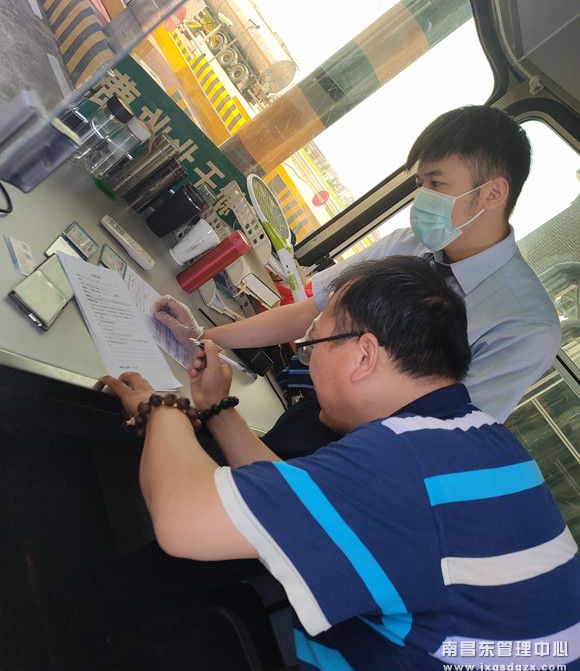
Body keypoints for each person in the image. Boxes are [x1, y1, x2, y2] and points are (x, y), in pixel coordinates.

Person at [103, 257, 580, 671]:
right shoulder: (478, 441)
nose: (308, 363)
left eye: (313, 345)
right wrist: (215, 408)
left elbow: (183, 519)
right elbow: (300, 506)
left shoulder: (401, 463)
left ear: (365, 355)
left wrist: (161, 407)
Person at [154, 105, 561, 442]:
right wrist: (205, 337)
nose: (423, 199)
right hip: (315, 412)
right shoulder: (406, 245)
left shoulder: (525, 326)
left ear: (492, 193)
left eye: (437, 184)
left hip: (373, 455)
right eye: (420, 184)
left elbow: (448, 436)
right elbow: (314, 308)